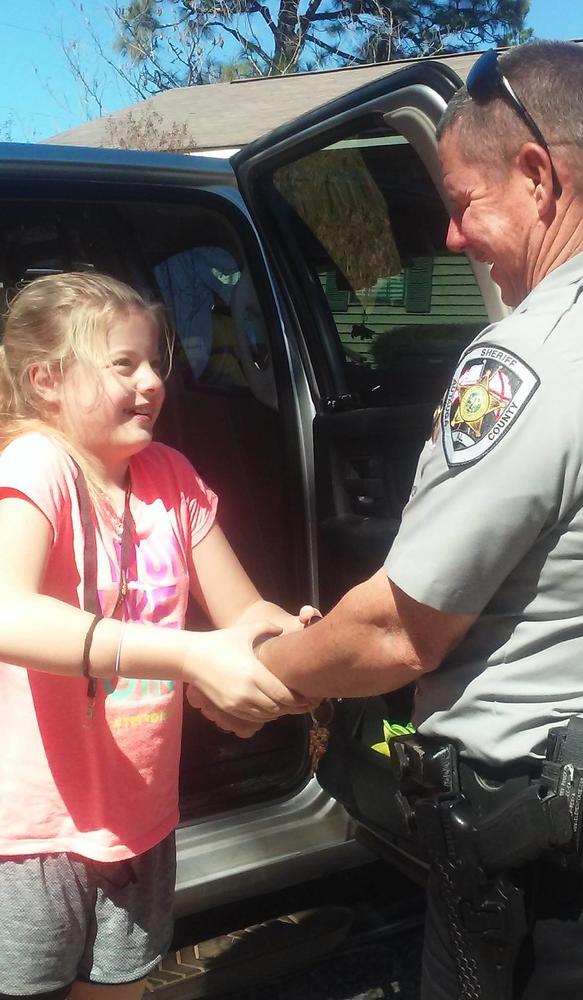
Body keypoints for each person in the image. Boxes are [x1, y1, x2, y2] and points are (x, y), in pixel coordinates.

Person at [215, 39, 583, 999]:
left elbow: (398, 630)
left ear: (538, 175)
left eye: (463, 205)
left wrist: (258, 676)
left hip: (544, 867)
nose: (453, 240)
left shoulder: (532, 358)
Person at [0, 271, 316, 1000]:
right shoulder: (35, 465)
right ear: (45, 381)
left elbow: (245, 615)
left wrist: (295, 657)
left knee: (119, 989)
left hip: (140, 819)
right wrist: (189, 655)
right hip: (32, 834)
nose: (153, 382)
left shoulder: (169, 476)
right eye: (123, 365)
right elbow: (8, 613)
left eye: (155, 363)